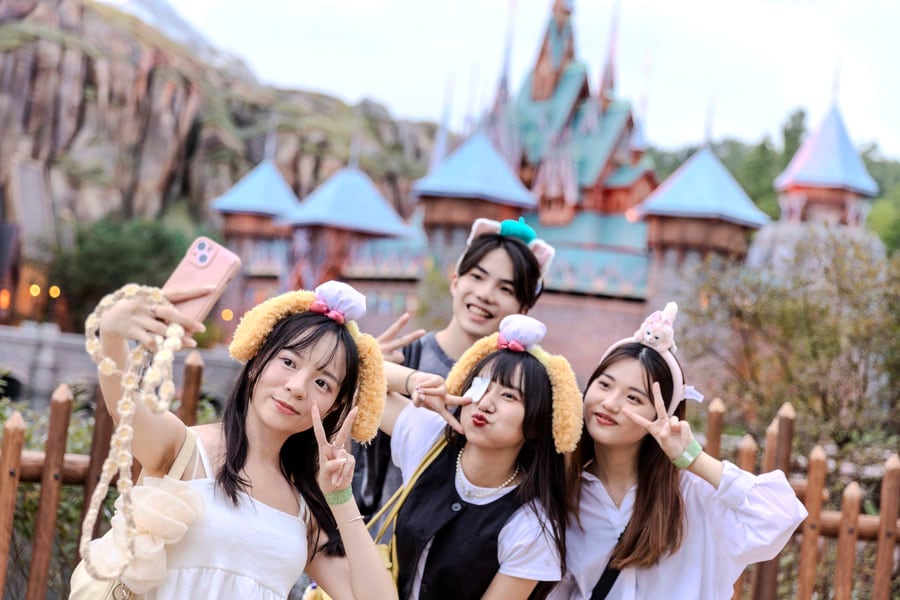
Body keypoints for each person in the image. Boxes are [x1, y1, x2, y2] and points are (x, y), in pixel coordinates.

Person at [76, 280, 398, 600]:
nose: (298, 386)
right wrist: (112, 334)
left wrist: (340, 498)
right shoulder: (184, 449)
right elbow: (126, 405)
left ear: (336, 405)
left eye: (322, 383)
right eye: (288, 362)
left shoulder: (304, 508)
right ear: (258, 359)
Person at [549, 302, 808, 599]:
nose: (610, 402)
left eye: (634, 398)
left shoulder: (694, 494)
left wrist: (693, 459)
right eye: (604, 385)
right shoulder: (568, 492)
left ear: (663, 412)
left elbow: (779, 516)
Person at [354, 217, 556, 519]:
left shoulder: (527, 385)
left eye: (505, 288)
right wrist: (373, 365)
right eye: (477, 276)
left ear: (524, 310)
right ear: (455, 280)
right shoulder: (403, 358)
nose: (485, 294)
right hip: (380, 539)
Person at [380, 314, 583, 599]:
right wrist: (415, 380)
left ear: (537, 424)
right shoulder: (431, 439)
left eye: (509, 396)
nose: (485, 403)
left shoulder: (531, 527)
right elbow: (357, 376)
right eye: (480, 385)